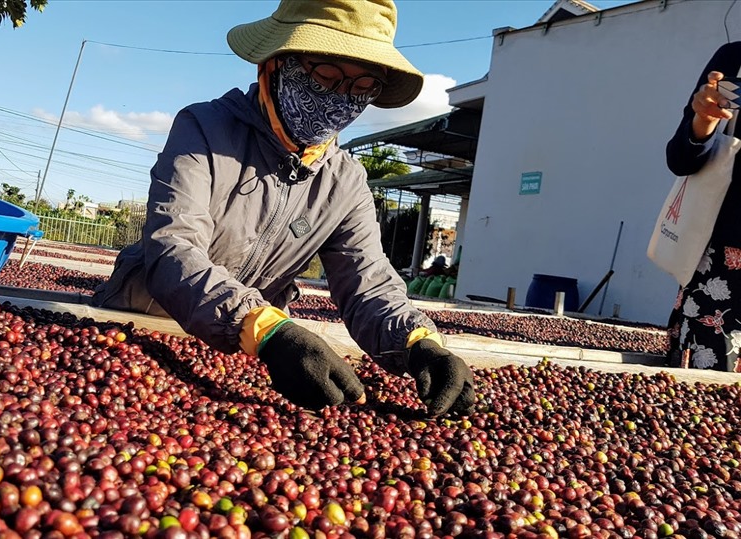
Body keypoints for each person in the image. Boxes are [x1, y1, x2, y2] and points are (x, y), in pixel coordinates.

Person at [93, 0, 475, 413]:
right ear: (275, 64)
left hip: (249, 356)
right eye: (326, 74)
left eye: (362, 85)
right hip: (134, 331)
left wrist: (420, 343)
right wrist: (266, 329)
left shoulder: (345, 183)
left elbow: (368, 285)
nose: (340, 97)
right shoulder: (204, 129)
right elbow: (173, 249)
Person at [665, 41, 741, 372]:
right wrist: (703, 122)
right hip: (724, 267)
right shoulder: (733, 61)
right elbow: (680, 158)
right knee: (703, 399)